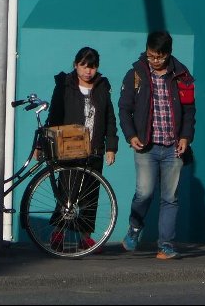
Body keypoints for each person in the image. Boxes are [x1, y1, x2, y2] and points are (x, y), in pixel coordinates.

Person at [118, 30, 196, 260]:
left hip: (173, 147)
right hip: (146, 146)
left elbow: (190, 110)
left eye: (159, 57)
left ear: (168, 54)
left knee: (170, 198)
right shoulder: (136, 74)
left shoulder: (181, 75)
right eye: (151, 56)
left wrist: (185, 137)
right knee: (144, 193)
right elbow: (124, 109)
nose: (154, 61)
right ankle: (135, 226)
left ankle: (166, 245)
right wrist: (131, 135)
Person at [48, 46, 118, 252]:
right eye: (84, 66)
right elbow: (54, 116)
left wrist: (111, 147)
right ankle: (58, 233)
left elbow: (110, 119)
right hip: (70, 147)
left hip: (94, 148)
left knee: (90, 194)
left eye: (93, 67)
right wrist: (43, 145)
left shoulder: (103, 87)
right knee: (67, 193)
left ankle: (85, 236)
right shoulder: (64, 85)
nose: (88, 71)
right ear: (76, 65)